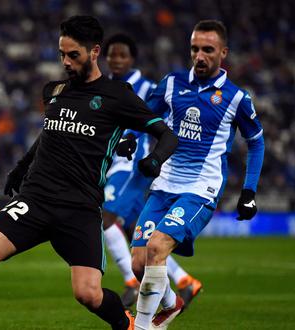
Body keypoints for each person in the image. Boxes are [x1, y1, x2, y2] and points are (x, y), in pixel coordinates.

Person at [0, 15, 178, 330]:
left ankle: (128, 325)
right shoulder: (54, 91)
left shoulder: (118, 96)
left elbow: (167, 135)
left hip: (79, 207)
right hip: (37, 198)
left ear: (95, 52)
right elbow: (50, 135)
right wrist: (21, 167)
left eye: (74, 55)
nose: (65, 62)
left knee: (88, 294)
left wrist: (154, 161)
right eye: (61, 54)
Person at [130, 20, 265, 330]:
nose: (200, 56)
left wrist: (249, 192)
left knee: (156, 247)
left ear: (223, 53)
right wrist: (129, 137)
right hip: (164, 184)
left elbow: (256, 142)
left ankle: (142, 326)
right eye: (195, 49)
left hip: (200, 189)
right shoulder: (172, 83)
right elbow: (143, 117)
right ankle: (170, 303)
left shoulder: (235, 98)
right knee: (140, 263)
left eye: (208, 50)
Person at [101, 33, 201, 309]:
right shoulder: (103, 87)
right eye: (111, 55)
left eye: (122, 55)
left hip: (133, 164)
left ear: (131, 59)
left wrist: (158, 157)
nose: (116, 60)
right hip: (111, 163)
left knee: (104, 218)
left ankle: (132, 283)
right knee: (140, 235)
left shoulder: (145, 88)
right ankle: (184, 281)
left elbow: (162, 122)